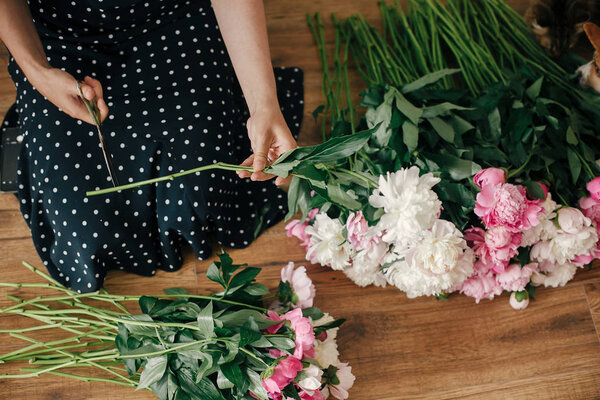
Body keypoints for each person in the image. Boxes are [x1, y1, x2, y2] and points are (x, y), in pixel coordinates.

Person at [0, 0, 303, 292]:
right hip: (57, 37)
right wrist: (39, 73)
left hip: (172, 22)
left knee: (203, 192)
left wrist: (264, 104)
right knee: (84, 234)